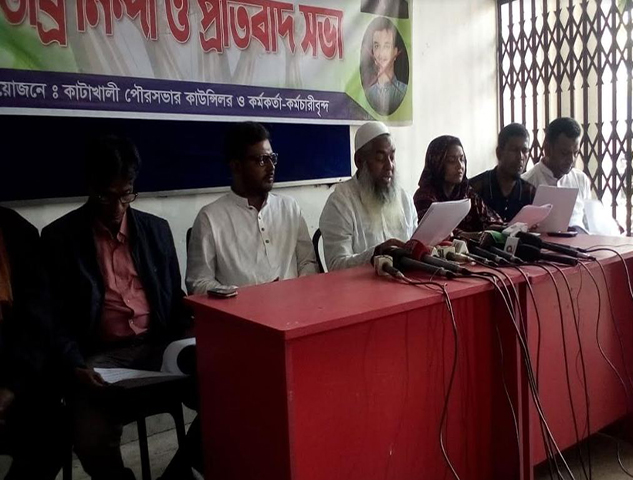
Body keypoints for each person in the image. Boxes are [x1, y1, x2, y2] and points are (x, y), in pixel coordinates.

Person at [42, 135, 193, 480]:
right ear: (89, 187)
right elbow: (53, 319)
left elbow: (174, 300)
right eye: (105, 196)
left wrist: (193, 331)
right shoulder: (60, 239)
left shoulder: (156, 231)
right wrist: (73, 364)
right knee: (90, 437)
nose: (117, 207)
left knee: (230, 394)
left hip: (157, 347)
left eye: (126, 195)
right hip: (99, 358)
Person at [186, 121, 317, 294]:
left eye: (272, 158)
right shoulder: (210, 218)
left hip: (294, 305)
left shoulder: (289, 208)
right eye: (261, 160)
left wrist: (297, 290)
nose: (271, 167)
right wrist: (242, 297)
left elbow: (308, 262)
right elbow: (198, 282)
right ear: (236, 166)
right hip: (239, 308)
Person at [0, 207, 63, 480]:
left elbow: (37, 320)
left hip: (11, 374)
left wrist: (11, 387)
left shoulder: (14, 230)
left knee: (52, 430)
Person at [319, 121, 417, 271]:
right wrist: (376, 254)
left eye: (392, 157)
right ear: (359, 161)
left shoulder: (405, 200)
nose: (389, 166)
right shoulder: (340, 203)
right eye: (380, 158)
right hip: (360, 285)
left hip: (405, 281)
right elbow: (336, 266)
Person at [413, 135, 503, 233]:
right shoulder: (423, 197)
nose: (460, 166)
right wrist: (476, 236)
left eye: (462, 159)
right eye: (451, 161)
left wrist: (505, 229)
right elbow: (440, 232)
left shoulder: (466, 192)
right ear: (437, 163)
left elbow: (490, 219)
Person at [522, 117, 592, 231]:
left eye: (576, 153)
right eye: (564, 153)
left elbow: (589, 224)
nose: (571, 159)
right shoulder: (527, 182)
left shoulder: (581, 180)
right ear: (547, 149)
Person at [470, 123, 536, 222]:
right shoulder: (475, 189)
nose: (520, 157)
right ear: (499, 153)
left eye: (524, 150)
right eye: (514, 150)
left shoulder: (530, 193)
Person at [362, 17, 408, 116]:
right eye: (377, 46)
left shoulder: (404, 92)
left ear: (395, 52)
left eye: (386, 46)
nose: (381, 54)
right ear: (373, 52)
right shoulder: (366, 95)